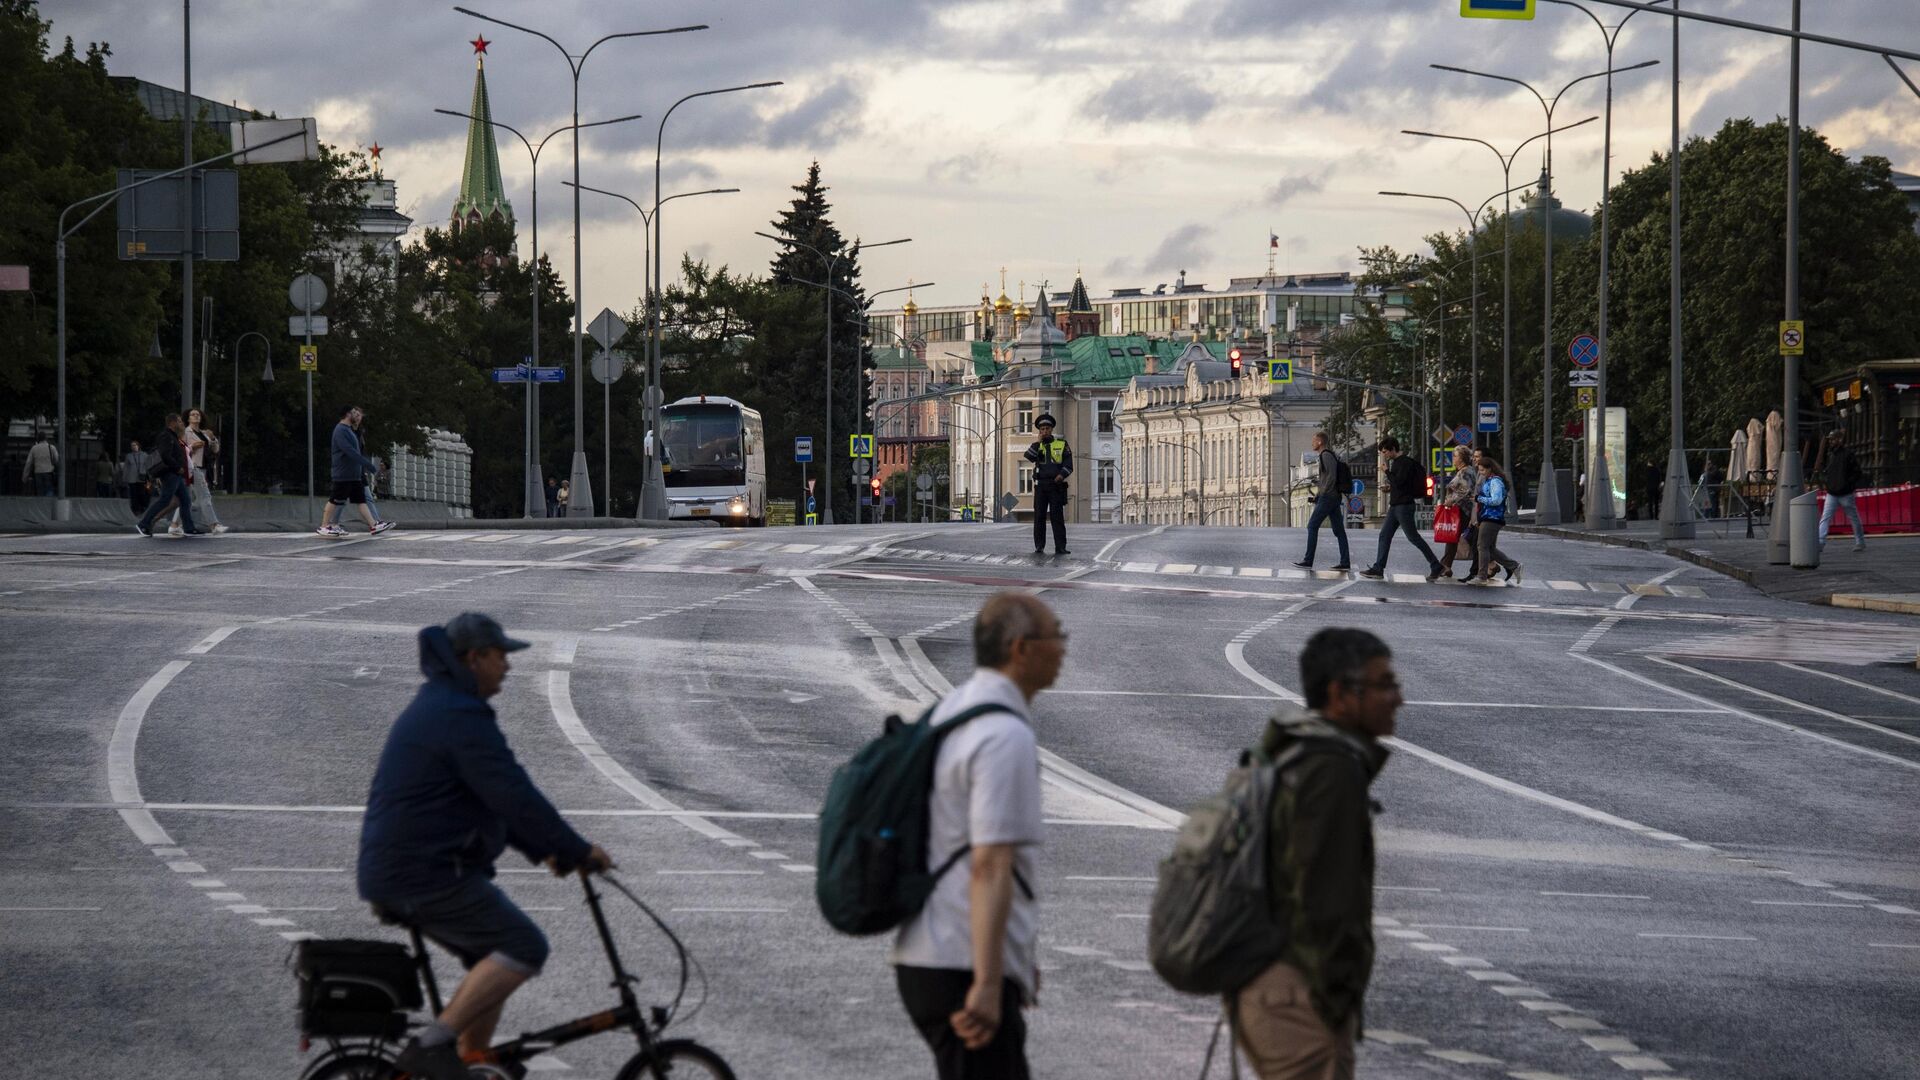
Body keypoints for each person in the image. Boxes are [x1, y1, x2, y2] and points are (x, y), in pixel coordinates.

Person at [357, 613, 613, 1080]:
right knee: (523, 944)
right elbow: (514, 795)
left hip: (412, 869)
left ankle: (473, 1062)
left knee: (489, 956)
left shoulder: (446, 704)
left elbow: (491, 804)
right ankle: (432, 1046)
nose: (508, 668)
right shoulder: (457, 716)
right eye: (501, 657)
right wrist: (575, 849)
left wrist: (547, 851)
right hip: (423, 873)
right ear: (475, 659)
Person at [893, 592, 1061, 1080]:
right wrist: (989, 981)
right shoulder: (1003, 735)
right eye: (1056, 635)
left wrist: (1014, 960)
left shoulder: (954, 709)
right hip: (961, 963)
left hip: (930, 950)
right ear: (1019, 648)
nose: (1063, 648)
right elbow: (989, 864)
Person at [1232, 628, 1396, 1080]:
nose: (1397, 698)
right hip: (1301, 996)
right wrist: (1336, 999)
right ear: (1341, 693)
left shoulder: (1304, 752)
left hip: (1275, 986)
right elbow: (1321, 898)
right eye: (1384, 684)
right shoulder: (1332, 771)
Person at [1359, 437, 1445, 583]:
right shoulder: (1398, 463)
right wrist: (1390, 487)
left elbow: (1399, 481)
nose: (1384, 455)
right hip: (1396, 506)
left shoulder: (1403, 462)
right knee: (1384, 535)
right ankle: (1378, 568)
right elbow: (1400, 484)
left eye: (1385, 451)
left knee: (1413, 537)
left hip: (1404, 506)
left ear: (1393, 449)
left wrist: (1387, 472)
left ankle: (1436, 565)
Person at [317, 405, 395, 537]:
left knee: (361, 500)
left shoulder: (349, 430)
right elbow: (350, 452)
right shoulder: (340, 430)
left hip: (353, 475)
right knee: (335, 500)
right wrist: (369, 466)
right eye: (354, 413)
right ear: (348, 414)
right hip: (343, 474)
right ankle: (324, 526)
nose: (357, 415)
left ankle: (373, 525)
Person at [1292, 432, 1351, 571]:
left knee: (1312, 526)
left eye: (1314, 441)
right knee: (1339, 530)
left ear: (1319, 442)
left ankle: (1308, 560)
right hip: (1331, 497)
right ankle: (1345, 562)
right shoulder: (1326, 455)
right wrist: (1318, 494)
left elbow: (1331, 477)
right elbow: (1326, 479)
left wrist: (1323, 493)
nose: (1312, 443)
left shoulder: (1325, 455)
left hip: (1329, 497)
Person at [134, 414, 200, 537]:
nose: (181, 424)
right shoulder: (166, 436)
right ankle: (143, 524)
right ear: (172, 423)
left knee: (185, 500)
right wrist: (177, 467)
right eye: (179, 421)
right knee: (165, 500)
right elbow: (165, 455)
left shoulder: (173, 436)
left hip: (176, 475)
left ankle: (189, 528)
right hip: (170, 474)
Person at [170, 408, 229, 535]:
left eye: (198, 414)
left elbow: (215, 450)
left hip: (204, 468)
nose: (196, 416)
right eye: (193, 414)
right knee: (205, 496)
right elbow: (179, 450)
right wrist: (192, 447)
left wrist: (213, 439)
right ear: (188, 418)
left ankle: (174, 525)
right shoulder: (186, 432)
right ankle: (214, 525)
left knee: (189, 500)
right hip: (193, 467)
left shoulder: (205, 433)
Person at [1023, 413, 1073, 555]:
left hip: (1056, 485)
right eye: (1042, 429)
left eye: (1047, 428)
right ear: (1039, 431)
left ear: (1051, 430)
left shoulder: (1062, 444)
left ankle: (1061, 547)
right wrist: (1038, 443)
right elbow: (1029, 456)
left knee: (1057, 517)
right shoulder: (1037, 446)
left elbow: (1069, 465)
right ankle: (1039, 546)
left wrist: (1060, 475)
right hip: (1041, 486)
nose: (1045, 431)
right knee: (1039, 517)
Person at [1468, 453, 1521, 585]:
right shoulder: (1490, 480)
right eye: (1479, 470)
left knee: (1482, 546)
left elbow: (1496, 500)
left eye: (1482, 470)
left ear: (1490, 468)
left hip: (1492, 517)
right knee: (1489, 548)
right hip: (1488, 516)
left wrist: (1479, 498)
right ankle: (1514, 566)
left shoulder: (1495, 481)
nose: (1481, 473)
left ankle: (1482, 577)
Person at [1813, 430, 1867, 551]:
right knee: (1851, 517)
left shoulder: (1837, 454)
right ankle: (1859, 541)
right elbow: (1856, 472)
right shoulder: (1839, 454)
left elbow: (1856, 472)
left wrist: (1836, 484)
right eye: (1831, 440)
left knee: (1827, 518)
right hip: (1840, 491)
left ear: (1839, 440)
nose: (1831, 442)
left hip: (1838, 491)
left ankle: (1821, 543)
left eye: (1833, 439)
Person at [1435, 445, 1478, 580]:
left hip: (1463, 510)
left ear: (1462, 458)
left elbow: (1464, 490)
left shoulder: (1466, 472)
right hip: (1460, 509)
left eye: (1455, 456)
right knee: (1457, 538)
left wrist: (1451, 501)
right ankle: (1446, 566)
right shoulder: (1463, 471)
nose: (1453, 458)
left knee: (1454, 538)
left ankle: (1445, 566)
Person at [121, 440, 153, 516]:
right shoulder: (129, 456)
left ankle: (143, 506)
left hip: (141, 477)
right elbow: (126, 468)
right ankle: (136, 509)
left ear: (138, 446)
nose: (133, 447)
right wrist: (124, 478)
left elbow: (149, 465)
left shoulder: (144, 455)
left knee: (142, 493)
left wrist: (150, 475)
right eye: (132, 445)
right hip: (132, 478)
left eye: (135, 445)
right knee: (133, 494)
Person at [21, 431, 57, 497]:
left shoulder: (34, 448)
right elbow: (56, 460)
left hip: (38, 473)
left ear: (38, 439)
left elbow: (28, 463)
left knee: (40, 492)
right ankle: (48, 505)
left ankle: (41, 505)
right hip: (49, 472)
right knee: (49, 490)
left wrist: (25, 477)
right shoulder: (52, 448)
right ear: (46, 438)